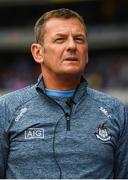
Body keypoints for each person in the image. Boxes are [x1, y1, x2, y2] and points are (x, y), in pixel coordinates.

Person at [0, 8, 128, 179]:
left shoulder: (116, 111)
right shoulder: (7, 109)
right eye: (60, 39)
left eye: (79, 39)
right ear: (38, 52)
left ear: (87, 53)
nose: (72, 46)